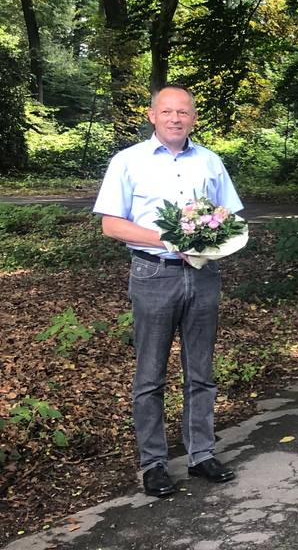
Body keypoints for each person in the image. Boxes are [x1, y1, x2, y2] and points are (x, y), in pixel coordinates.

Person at [93, 84, 243, 498]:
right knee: (150, 374)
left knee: (201, 371)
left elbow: (229, 216)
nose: (176, 118)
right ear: (151, 115)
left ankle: (201, 454)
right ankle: (154, 464)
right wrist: (169, 238)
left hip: (202, 274)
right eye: (167, 111)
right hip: (153, 273)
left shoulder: (211, 162)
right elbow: (111, 224)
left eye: (184, 112)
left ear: (194, 117)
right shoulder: (128, 161)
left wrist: (216, 238)